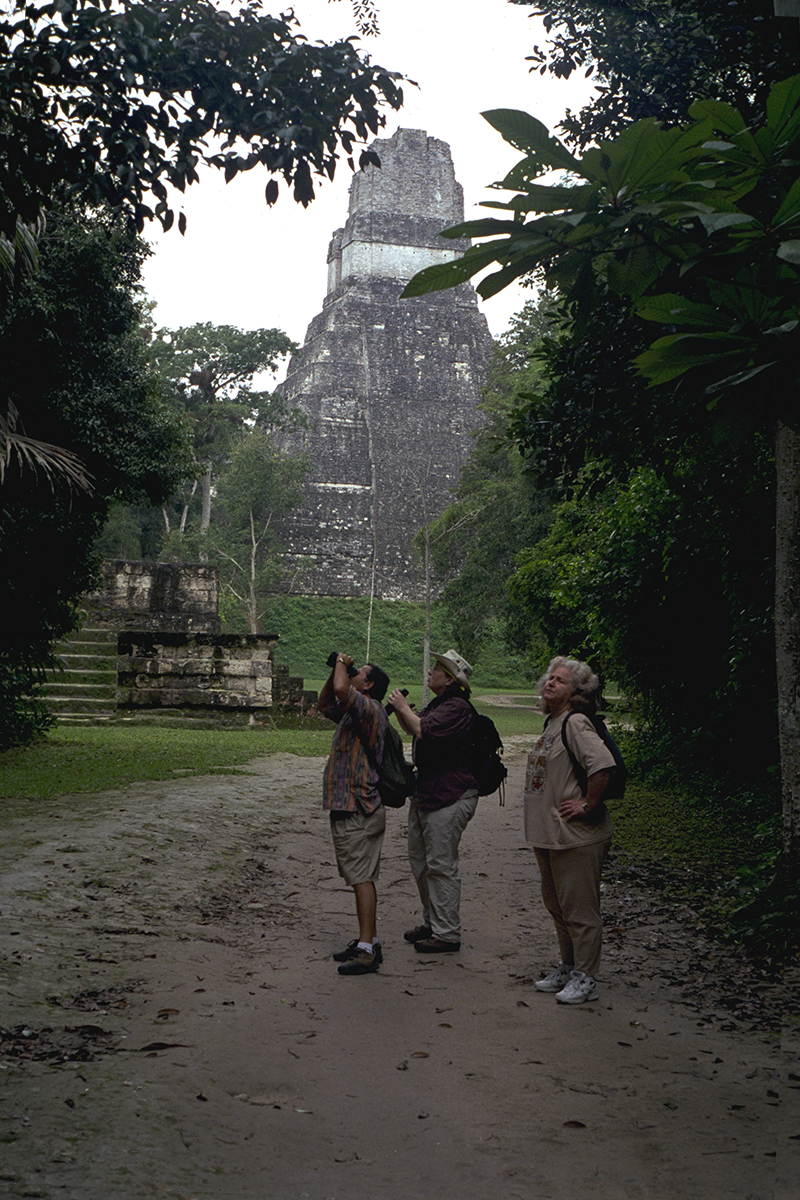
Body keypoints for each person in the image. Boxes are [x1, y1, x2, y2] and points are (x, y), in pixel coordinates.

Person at [524, 656, 614, 1004]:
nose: (551, 683)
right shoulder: (552, 722)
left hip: (576, 837)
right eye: (550, 678)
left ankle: (587, 977)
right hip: (549, 835)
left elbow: (602, 765)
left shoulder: (575, 723)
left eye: (560, 681)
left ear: (576, 693)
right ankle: (568, 966)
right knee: (557, 907)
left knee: (579, 911)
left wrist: (587, 804)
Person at [387, 649, 479, 954]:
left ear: (449, 679)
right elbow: (412, 727)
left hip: (449, 795)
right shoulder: (441, 705)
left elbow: (421, 729)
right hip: (429, 793)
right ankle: (433, 923)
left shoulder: (457, 708)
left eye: (437, 669)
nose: (431, 673)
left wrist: (402, 706)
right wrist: (401, 710)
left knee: (440, 865)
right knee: (422, 864)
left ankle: (447, 933)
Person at [318, 652, 390, 977]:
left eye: (359, 673)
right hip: (354, 806)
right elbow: (325, 704)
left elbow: (342, 690)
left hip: (357, 807)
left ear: (369, 684)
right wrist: (336, 669)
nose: (352, 675)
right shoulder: (353, 712)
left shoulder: (368, 707)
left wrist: (341, 665)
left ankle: (366, 949)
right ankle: (368, 941)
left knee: (361, 877)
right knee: (360, 875)